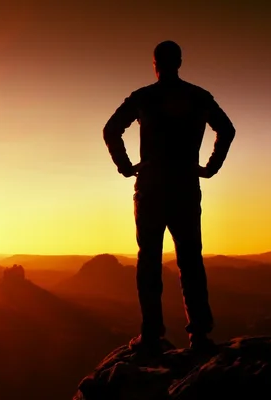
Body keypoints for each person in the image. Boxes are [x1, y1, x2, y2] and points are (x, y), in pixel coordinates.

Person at [103, 40, 236, 354]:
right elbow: (226, 129)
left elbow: (111, 129)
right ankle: (200, 336)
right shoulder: (199, 97)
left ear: (155, 64)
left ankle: (150, 336)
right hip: (186, 183)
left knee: (149, 259)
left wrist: (124, 166)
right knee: (190, 259)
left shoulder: (144, 97)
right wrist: (210, 167)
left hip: (150, 184)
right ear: (179, 61)